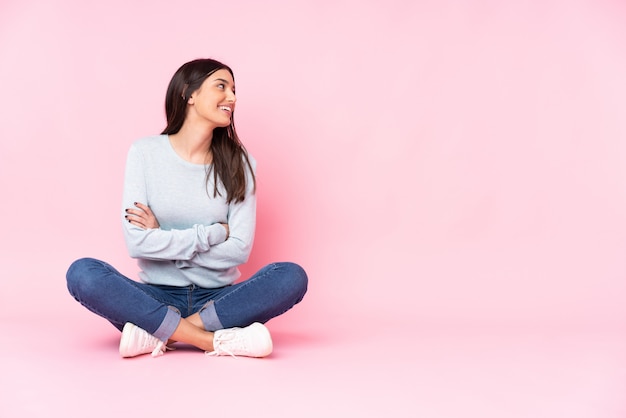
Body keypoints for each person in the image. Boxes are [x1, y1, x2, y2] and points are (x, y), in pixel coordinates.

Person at [66, 58, 308, 359]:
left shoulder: (241, 164)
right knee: (83, 274)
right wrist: (214, 233)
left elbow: (240, 250)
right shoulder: (145, 153)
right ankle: (212, 341)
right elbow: (137, 243)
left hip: (218, 301)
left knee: (291, 276)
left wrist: (162, 237)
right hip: (154, 295)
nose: (232, 97)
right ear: (189, 94)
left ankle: (161, 333)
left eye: (234, 90)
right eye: (221, 86)